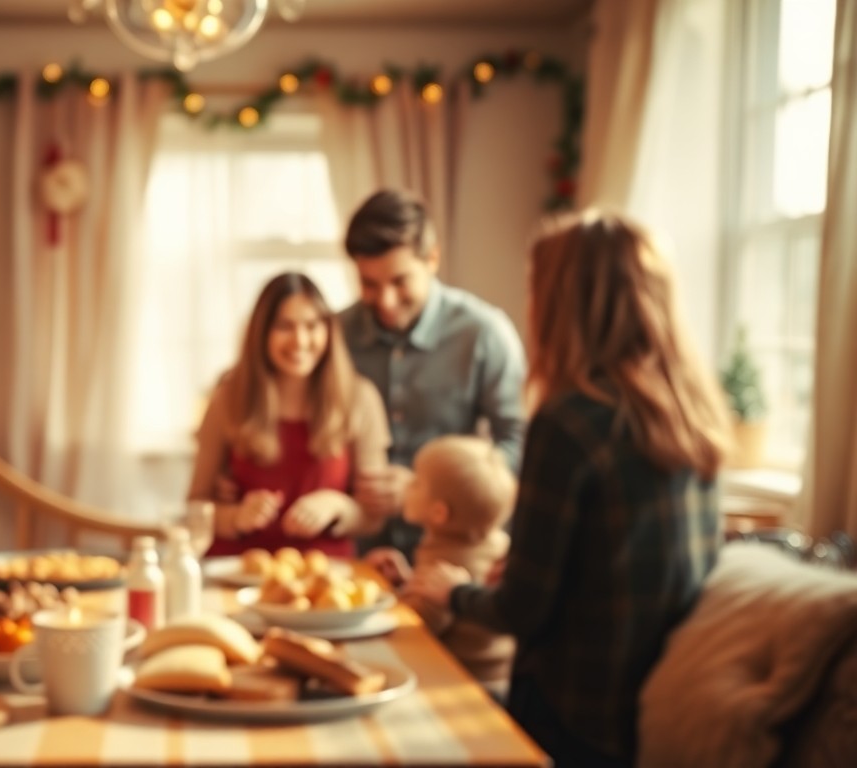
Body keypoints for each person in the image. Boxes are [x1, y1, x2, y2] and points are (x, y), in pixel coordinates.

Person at [407, 211, 733, 767]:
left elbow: (521, 613)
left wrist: (454, 592)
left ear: (563, 302)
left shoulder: (569, 422)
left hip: (577, 714)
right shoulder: (691, 413)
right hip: (659, 700)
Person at [337, 189, 527, 563]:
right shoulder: (335, 334)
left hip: (454, 559)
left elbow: (518, 443)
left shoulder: (483, 333)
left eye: (399, 281)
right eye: (369, 284)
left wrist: (430, 489)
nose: (386, 301)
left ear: (433, 258)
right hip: (356, 553)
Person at [187, 272, 391, 559]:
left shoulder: (360, 398)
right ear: (262, 333)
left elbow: (373, 517)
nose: (300, 340)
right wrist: (236, 517)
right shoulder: (228, 396)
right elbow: (195, 507)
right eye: (285, 326)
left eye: (312, 325)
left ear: (329, 331)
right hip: (236, 569)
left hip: (324, 573)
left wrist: (337, 505)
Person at [371, 435, 516, 696]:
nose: (407, 486)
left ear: (439, 513)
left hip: (464, 684)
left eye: (416, 482)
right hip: (499, 679)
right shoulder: (491, 543)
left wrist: (388, 597)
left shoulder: (448, 559)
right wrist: (406, 582)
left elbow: (419, 625)